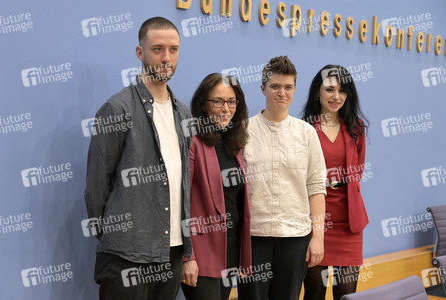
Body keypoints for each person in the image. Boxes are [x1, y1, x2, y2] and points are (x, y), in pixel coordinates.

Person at [84, 17, 192, 300]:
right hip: (126, 254)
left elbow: (184, 184)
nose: (166, 57)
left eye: (174, 49)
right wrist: (114, 235)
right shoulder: (116, 108)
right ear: (140, 53)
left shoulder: (183, 112)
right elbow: (96, 186)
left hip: (172, 251)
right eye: (157, 49)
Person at [237, 56, 327, 300]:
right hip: (253, 237)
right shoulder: (243, 131)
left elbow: (316, 188)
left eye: (288, 87)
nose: (281, 93)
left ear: (294, 90)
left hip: (295, 237)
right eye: (275, 86)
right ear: (263, 88)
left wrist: (317, 237)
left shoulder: (307, 134)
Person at [180, 73, 252, 300]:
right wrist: (187, 257)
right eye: (218, 101)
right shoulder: (192, 141)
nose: (225, 108)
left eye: (231, 102)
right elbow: (179, 201)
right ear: (203, 105)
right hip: (200, 252)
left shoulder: (234, 143)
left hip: (229, 250)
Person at [301, 64, 369, 300]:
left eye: (342, 90)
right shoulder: (304, 128)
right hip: (313, 222)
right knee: (314, 292)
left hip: (348, 222)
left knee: (347, 294)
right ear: (317, 92)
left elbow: (357, 172)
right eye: (329, 90)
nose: (336, 96)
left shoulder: (356, 128)